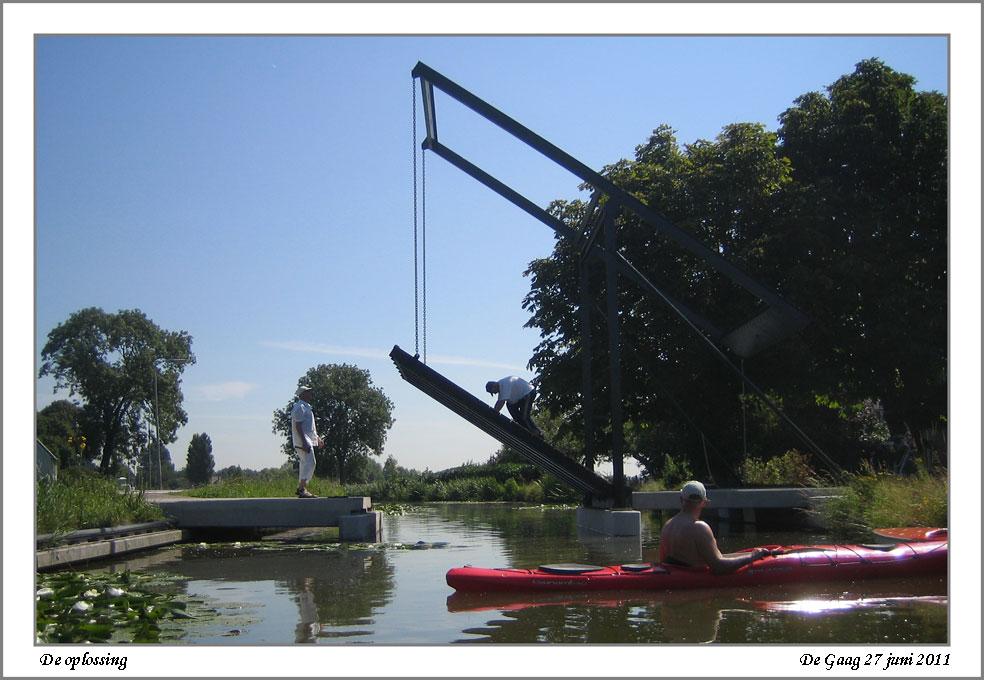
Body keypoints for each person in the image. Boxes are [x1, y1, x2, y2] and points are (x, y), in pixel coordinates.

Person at [658, 480, 772, 573]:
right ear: (704, 502)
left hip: (676, 576)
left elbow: (663, 562)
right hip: (694, 580)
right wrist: (751, 558)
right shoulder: (699, 528)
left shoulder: (668, 525)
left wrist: (749, 554)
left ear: (681, 499)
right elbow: (719, 567)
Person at [291, 385, 322, 498]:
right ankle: (302, 488)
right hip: (303, 440)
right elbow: (298, 426)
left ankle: (301, 488)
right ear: (302, 394)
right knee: (311, 462)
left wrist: (317, 438)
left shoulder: (306, 407)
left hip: (307, 439)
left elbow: (310, 427)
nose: (310, 394)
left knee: (305, 464)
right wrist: (304, 441)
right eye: (308, 392)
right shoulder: (300, 407)